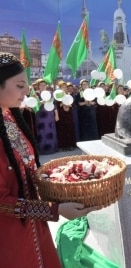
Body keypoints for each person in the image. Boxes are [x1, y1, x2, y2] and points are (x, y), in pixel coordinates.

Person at [0, 52, 99, 267]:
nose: (27, 91)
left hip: (35, 226)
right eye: (19, 85)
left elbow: (28, 168)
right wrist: (53, 210)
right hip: (9, 238)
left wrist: (60, 185)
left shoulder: (10, 117)